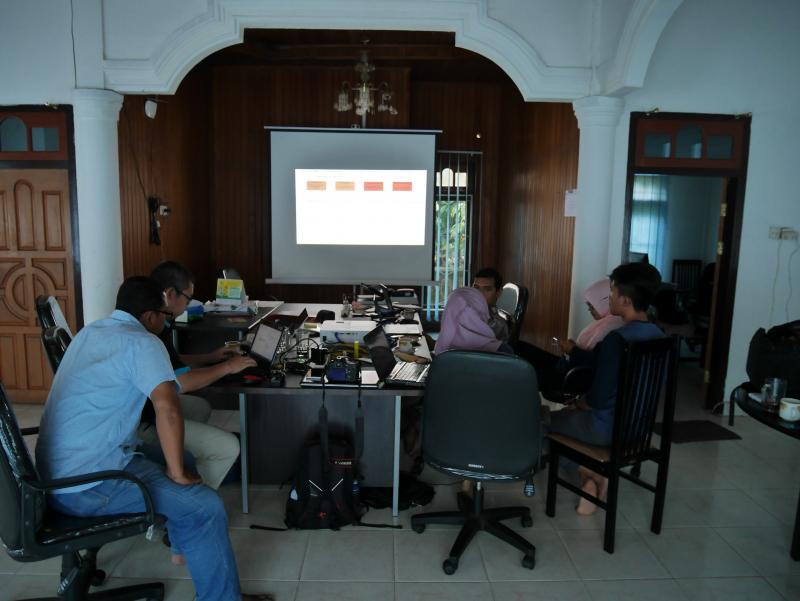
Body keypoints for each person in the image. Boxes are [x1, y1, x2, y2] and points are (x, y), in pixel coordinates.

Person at [35, 277, 271, 601]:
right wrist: (175, 474)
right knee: (205, 506)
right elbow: (168, 408)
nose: (164, 322)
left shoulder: (92, 332)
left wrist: (179, 468)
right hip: (90, 485)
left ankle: (180, 542)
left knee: (187, 461)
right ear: (149, 317)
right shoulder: (142, 342)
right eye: (163, 316)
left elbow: (170, 389)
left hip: (55, 477)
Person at [548, 262, 664, 515]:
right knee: (568, 421)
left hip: (605, 429)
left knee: (541, 420)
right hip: (639, 431)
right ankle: (591, 474)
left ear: (624, 299)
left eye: (611, 292)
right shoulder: (659, 336)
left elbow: (598, 400)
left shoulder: (617, 340)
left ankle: (586, 474)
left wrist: (578, 404)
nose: (609, 297)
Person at [140, 260, 255, 491]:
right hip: (142, 419)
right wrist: (227, 367)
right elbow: (180, 382)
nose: (189, 304)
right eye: (187, 298)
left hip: (145, 406)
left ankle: (180, 458)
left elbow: (170, 364)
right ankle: (190, 499)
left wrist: (210, 357)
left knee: (200, 407)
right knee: (228, 446)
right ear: (170, 294)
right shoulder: (155, 326)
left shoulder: (154, 319)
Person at [434, 286, 514, 356]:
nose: (482, 293)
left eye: (487, 289)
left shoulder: (441, 353)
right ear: (483, 311)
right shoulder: (504, 351)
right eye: (477, 287)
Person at [472, 267, 510, 342]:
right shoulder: (465, 310)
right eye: (476, 288)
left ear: (498, 293)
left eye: (487, 289)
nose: (479, 294)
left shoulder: (497, 325)